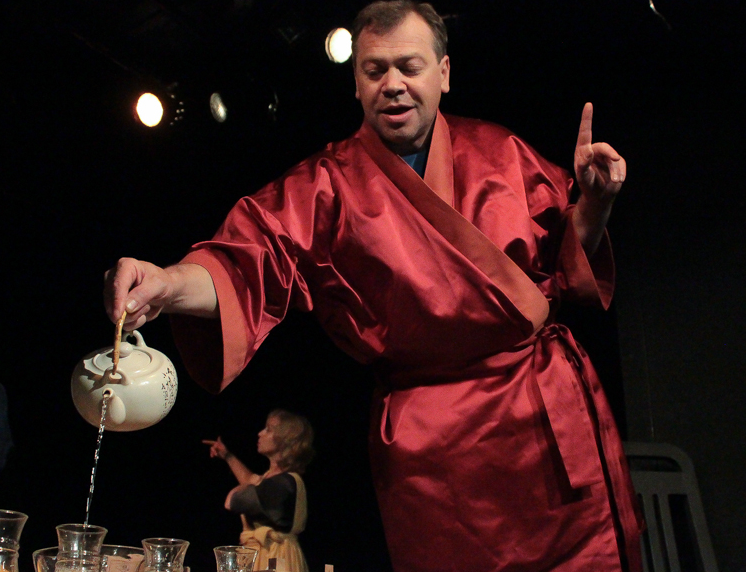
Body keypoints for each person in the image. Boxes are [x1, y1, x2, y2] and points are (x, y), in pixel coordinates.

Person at [104, 1, 643, 570]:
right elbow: (244, 262)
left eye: (409, 66)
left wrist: (595, 204)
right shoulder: (326, 187)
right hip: (432, 443)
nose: (393, 84)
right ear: (356, 84)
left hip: (541, 416)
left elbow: (567, 261)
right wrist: (168, 284)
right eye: (375, 70)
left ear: (444, 73)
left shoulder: (501, 151)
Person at [203, 409, 315, 572]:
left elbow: (233, 501)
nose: (260, 433)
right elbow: (253, 482)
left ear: (284, 439)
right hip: (262, 555)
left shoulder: (284, 483)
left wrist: (244, 487)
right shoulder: (272, 480)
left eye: (268, 430)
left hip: (275, 558)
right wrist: (228, 456)